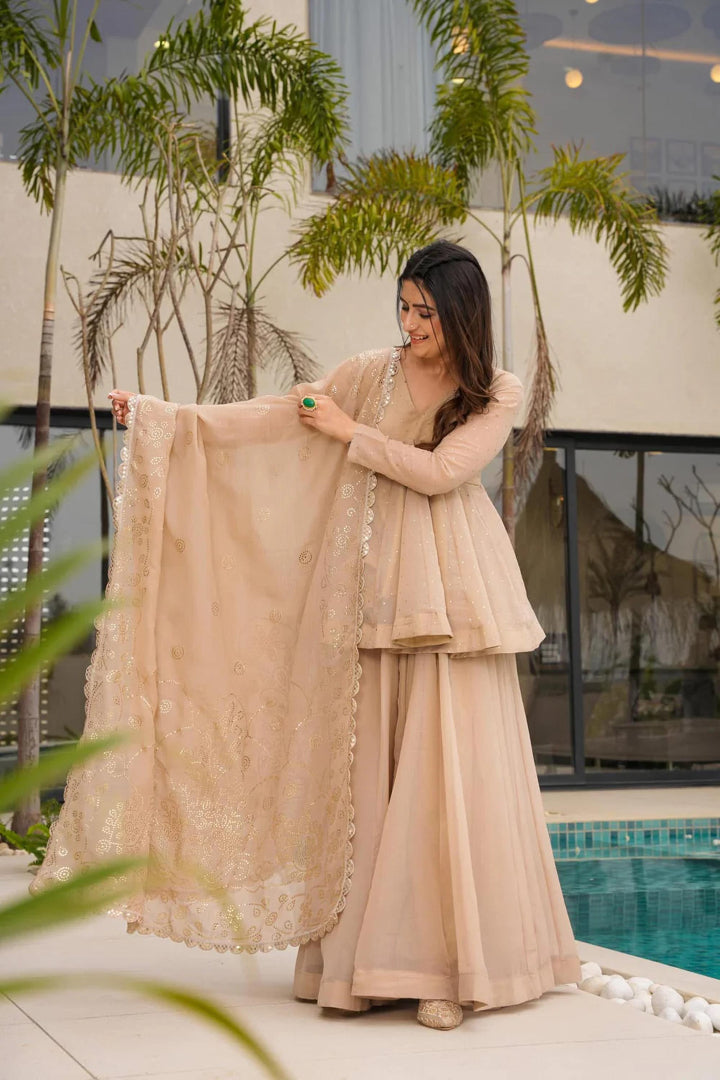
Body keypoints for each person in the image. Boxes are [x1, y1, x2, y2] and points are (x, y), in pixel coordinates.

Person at [36, 240, 582, 1032]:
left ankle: (453, 970)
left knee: (446, 774)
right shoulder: (369, 372)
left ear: (463, 314)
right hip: (368, 584)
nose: (410, 324)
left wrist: (347, 432)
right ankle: (364, 965)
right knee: (365, 782)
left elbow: (442, 473)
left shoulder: (498, 389)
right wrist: (170, 419)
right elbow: (280, 417)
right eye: (404, 307)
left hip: (453, 595)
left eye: (426, 313)